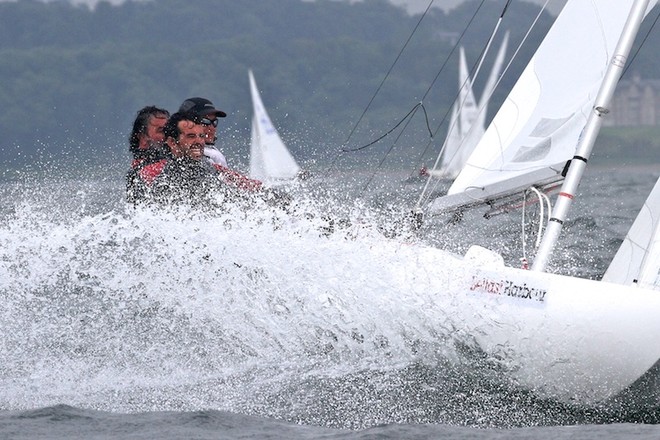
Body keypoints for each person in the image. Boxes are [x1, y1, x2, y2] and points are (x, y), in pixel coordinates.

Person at [127, 112, 264, 207]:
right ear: (172, 143)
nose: (199, 142)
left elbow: (249, 186)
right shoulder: (153, 172)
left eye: (201, 136)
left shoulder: (212, 168)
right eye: (191, 136)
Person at [126, 106, 170, 204]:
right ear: (142, 136)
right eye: (162, 131)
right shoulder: (138, 172)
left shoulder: (170, 161)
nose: (168, 135)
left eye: (169, 130)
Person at [178, 97, 228, 167]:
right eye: (205, 122)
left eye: (214, 122)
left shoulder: (213, 154)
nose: (212, 128)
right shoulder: (213, 156)